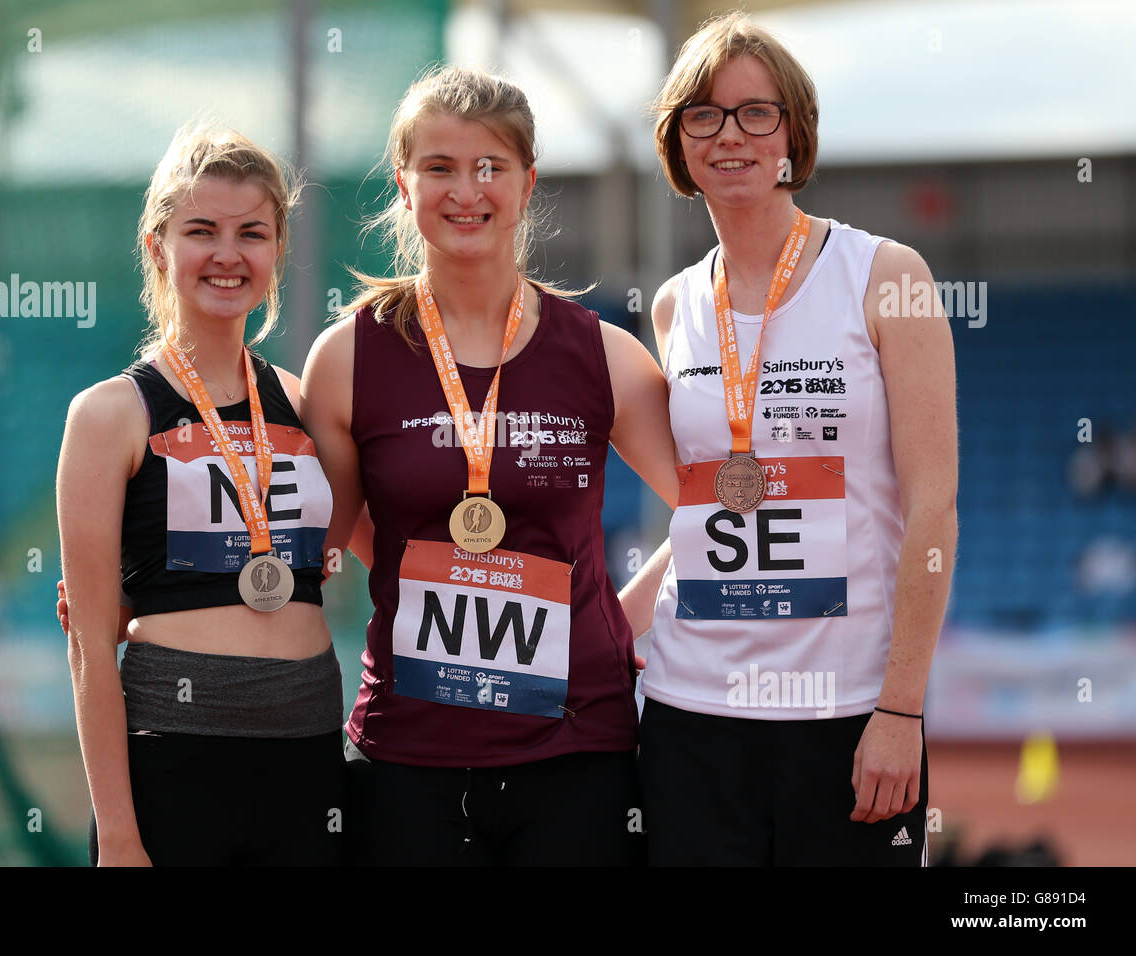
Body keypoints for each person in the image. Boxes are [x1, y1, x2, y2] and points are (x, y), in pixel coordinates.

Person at [300, 66, 678, 866]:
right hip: (409, 753)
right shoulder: (347, 358)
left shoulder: (602, 354)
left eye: (490, 167)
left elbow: (716, 506)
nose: (465, 190)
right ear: (404, 184)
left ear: (527, 183)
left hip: (577, 751)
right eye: (438, 166)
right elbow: (324, 539)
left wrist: (621, 621)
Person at [619, 11, 958, 865]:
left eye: (755, 112)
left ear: (793, 131)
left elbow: (934, 508)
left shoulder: (887, 277)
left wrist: (902, 708)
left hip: (844, 716)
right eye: (704, 115)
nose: (729, 135)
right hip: (692, 713)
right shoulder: (673, 305)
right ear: (679, 140)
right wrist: (610, 626)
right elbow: (706, 511)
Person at [56, 122, 343, 866]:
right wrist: (118, 834)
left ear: (277, 250)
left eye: (252, 232)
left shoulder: (304, 401)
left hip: (308, 752)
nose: (227, 254)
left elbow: (351, 540)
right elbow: (89, 645)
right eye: (201, 230)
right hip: (175, 757)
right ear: (158, 246)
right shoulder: (108, 415)